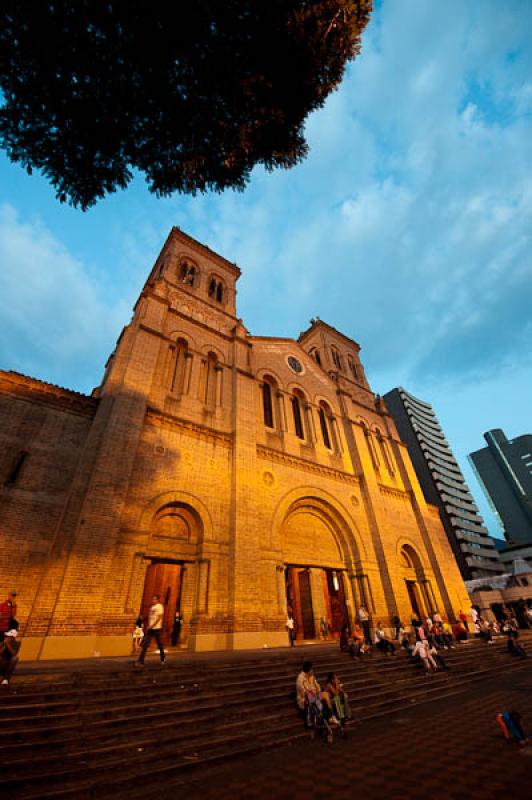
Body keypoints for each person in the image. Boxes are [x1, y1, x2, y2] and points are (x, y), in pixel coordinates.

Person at [135, 594, 166, 667]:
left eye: (155, 599)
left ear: (158, 600)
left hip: (157, 629)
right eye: (153, 599)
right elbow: (150, 618)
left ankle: (162, 657)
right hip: (150, 629)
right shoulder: (152, 607)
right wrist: (148, 625)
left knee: (160, 645)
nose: (153, 600)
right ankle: (140, 661)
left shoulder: (160, 606)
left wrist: (152, 625)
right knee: (145, 645)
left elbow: (159, 617)